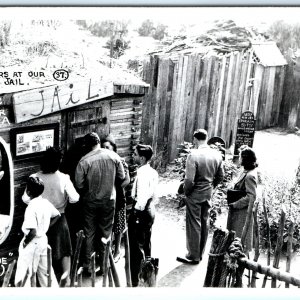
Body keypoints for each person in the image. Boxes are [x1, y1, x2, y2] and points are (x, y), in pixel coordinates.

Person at [22, 147, 79, 282]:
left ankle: (42, 280)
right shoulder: (63, 178)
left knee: (41, 251)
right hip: (59, 217)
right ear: (58, 162)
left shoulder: (34, 178)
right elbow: (75, 198)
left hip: (39, 220)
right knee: (64, 250)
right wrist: (64, 200)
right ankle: (67, 278)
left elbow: (25, 199)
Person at [75, 132, 125, 274]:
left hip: (90, 201)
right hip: (109, 200)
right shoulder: (114, 156)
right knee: (106, 232)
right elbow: (121, 177)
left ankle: (88, 266)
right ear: (98, 142)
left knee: (89, 232)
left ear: (87, 145)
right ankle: (104, 266)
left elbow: (79, 184)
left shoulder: (84, 161)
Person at [177, 129, 224, 264]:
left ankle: (193, 255)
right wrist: (211, 187)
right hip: (208, 192)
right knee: (205, 220)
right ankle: (201, 253)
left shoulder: (193, 155)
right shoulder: (216, 154)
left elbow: (189, 180)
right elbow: (220, 176)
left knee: (193, 222)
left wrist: (187, 192)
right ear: (206, 138)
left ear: (195, 139)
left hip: (195, 193)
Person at [15, 176, 60, 287]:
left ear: (29, 192)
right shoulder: (45, 202)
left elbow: (33, 231)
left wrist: (26, 242)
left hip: (32, 241)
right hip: (43, 240)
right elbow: (57, 215)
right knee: (46, 271)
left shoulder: (31, 206)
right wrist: (45, 228)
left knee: (24, 272)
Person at [128, 144, 159, 287]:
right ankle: (148, 277)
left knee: (136, 248)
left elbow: (142, 196)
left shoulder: (143, 173)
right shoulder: (152, 171)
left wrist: (136, 212)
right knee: (146, 243)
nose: (133, 156)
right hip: (150, 210)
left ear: (141, 157)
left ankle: (137, 280)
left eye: (135, 154)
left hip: (142, 210)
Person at [101, 135, 130, 262]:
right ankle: (107, 251)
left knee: (118, 225)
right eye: (103, 147)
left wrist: (115, 189)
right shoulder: (102, 161)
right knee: (108, 225)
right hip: (107, 198)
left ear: (113, 148)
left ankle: (117, 250)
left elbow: (127, 180)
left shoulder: (120, 161)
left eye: (108, 147)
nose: (105, 149)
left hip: (118, 198)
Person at [226, 146, 258, 255]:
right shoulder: (245, 171)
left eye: (240, 157)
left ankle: (239, 267)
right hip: (238, 213)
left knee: (240, 242)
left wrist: (235, 204)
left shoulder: (250, 176)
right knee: (236, 241)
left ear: (245, 159)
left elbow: (251, 196)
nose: (239, 159)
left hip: (242, 214)